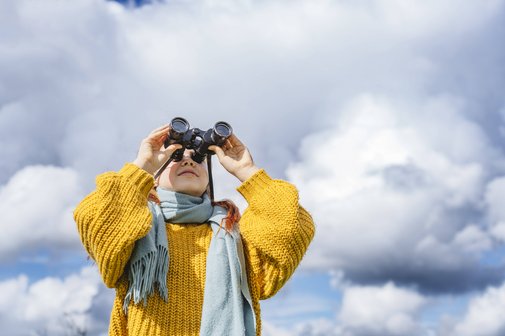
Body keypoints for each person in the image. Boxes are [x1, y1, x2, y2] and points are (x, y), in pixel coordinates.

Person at [73, 123, 315, 336]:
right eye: (175, 156)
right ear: (154, 179)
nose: (188, 160)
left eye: (198, 158)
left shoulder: (234, 235)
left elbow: (292, 230)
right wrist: (142, 166)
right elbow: (94, 217)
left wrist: (247, 171)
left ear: (209, 180)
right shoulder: (136, 228)